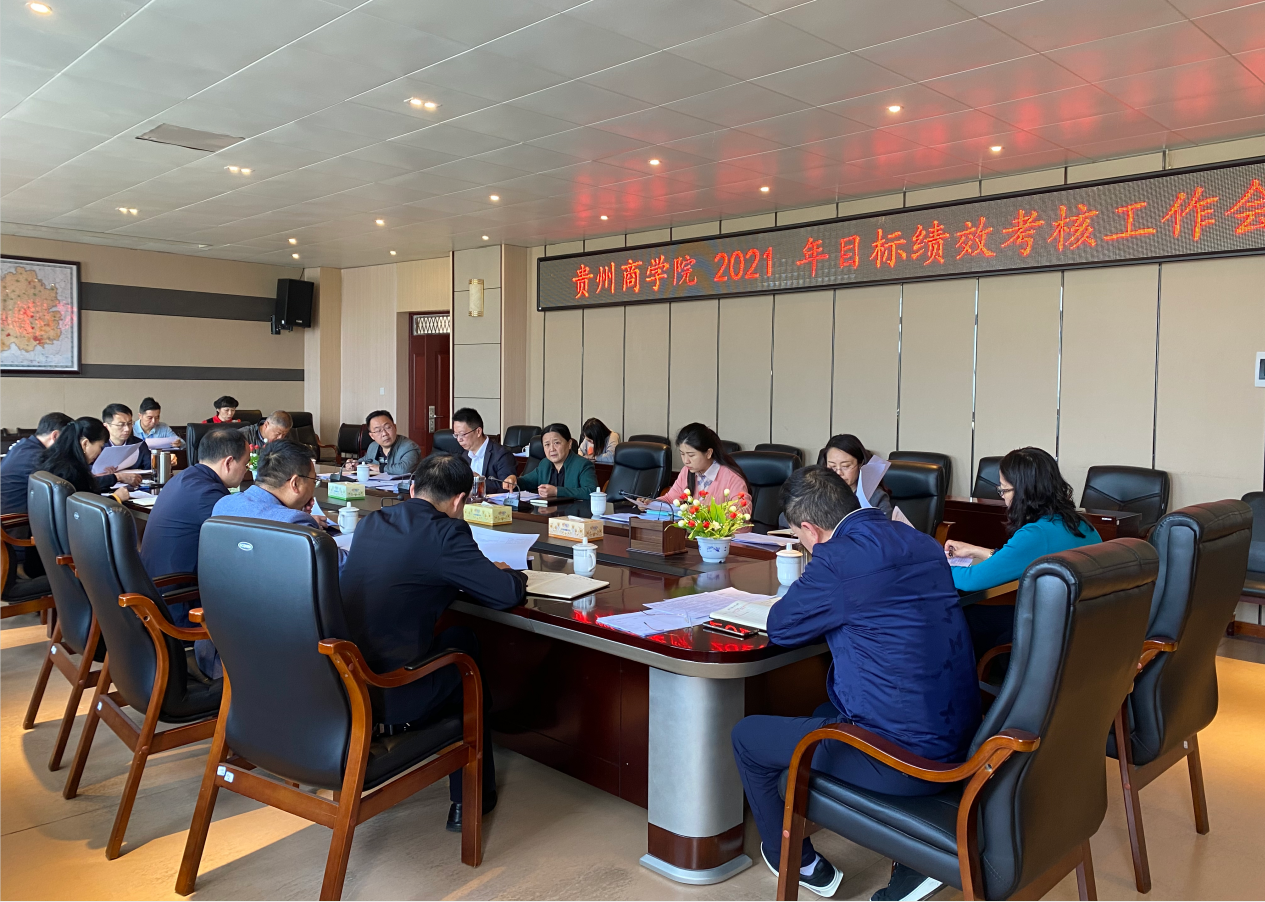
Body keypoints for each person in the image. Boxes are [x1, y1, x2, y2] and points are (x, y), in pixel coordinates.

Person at [731, 467, 980, 901]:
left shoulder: (838, 559)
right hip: (964, 736)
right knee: (820, 712)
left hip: (904, 758)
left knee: (748, 736)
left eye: (799, 537)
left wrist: (816, 574)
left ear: (810, 529)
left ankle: (795, 859)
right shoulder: (921, 541)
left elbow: (782, 626)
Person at [339, 453, 527, 832]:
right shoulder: (446, 533)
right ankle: (471, 797)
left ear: (412, 488)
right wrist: (512, 575)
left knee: (456, 640)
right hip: (393, 691)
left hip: (346, 681)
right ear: (460, 500)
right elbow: (504, 594)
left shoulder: (372, 521)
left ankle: (466, 786)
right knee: (464, 656)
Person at [945, 446, 1101, 657]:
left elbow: (971, 580)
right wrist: (976, 551)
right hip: (1076, 632)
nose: (1003, 498)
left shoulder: (1036, 534)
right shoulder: (1081, 524)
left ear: (1023, 492)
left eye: (1004, 490)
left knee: (960, 616)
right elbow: (1022, 560)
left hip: (1046, 637)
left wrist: (933, 565)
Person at [207, 441, 342, 679]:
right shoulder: (294, 523)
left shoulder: (224, 504)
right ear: (295, 483)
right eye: (313, 481)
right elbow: (341, 568)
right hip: (286, 655)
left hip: (226, 644)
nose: (314, 487)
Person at [139, 427, 250, 581]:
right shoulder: (208, 494)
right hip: (176, 589)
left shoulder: (185, 477)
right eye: (245, 464)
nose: (246, 470)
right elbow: (241, 541)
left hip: (153, 580)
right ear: (228, 462)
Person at [636, 423, 747, 510]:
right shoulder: (687, 471)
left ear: (708, 453)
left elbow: (743, 510)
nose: (686, 461)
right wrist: (652, 503)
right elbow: (670, 498)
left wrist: (703, 511)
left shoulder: (732, 477)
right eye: (682, 454)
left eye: (691, 455)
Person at [39, 417, 131, 504]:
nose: (100, 452)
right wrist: (116, 498)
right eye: (100, 446)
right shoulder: (73, 472)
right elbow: (89, 509)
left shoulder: (51, 460)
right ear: (85, 444)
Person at [2, 412, 71, 513]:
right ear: (55, 436)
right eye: (68, 439)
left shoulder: (24, 445)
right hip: (14, 519)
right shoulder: (38, 456)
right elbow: (64, 484)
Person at [516, 423, 597, 501]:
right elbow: (526, 482)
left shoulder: (583, 465)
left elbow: (592, 491)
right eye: (547, 444)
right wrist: (513, 481)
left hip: (574, 510)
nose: (552, 449)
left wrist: (557, 491)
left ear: (569, 444)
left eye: (556, 443)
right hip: (546, 509)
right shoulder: (545, 464)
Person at [822, 433, 892, 516]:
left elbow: (885, 524)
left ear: (860, 464)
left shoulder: (875, 498)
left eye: (845, 466)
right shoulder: (817, 494)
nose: (838, 472)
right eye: (832, 466)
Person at [451, 407, 518, 491]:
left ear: (478, 431)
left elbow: (506, 487)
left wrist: (479, 482)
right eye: (456, 435)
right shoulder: (464, 455)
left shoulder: (502, 455)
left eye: (462, 434)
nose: (459, 439)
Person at [342, 410, 420, 477]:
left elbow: (404, 469)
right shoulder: (373, 446)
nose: (384, 434)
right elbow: (366, 461)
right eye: (378, 430)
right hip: (378, 487)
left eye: (388, 427)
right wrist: (355, 464)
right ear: (372, 436)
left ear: (395, 427)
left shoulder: (409, 447)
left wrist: (380, 468)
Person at [101, 403, 152, 473]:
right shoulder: (98, 447)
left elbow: (150, 468)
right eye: (121, 425)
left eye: (129, 423)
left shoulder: (139, 444)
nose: (127, 429)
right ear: (106, 426)